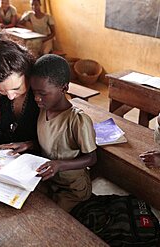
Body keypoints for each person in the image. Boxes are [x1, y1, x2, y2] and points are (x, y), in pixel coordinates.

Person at [29, 54, 97, 212]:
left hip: (72, 189)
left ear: (64, 88)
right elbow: (52, 141)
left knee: (51, 217)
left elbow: (91, 158)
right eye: (34, 93)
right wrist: (29, 144)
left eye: (43, 93)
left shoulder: (78, 120)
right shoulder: (43, 109)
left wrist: (59, 165)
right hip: (49, 181)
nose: (37, 98)